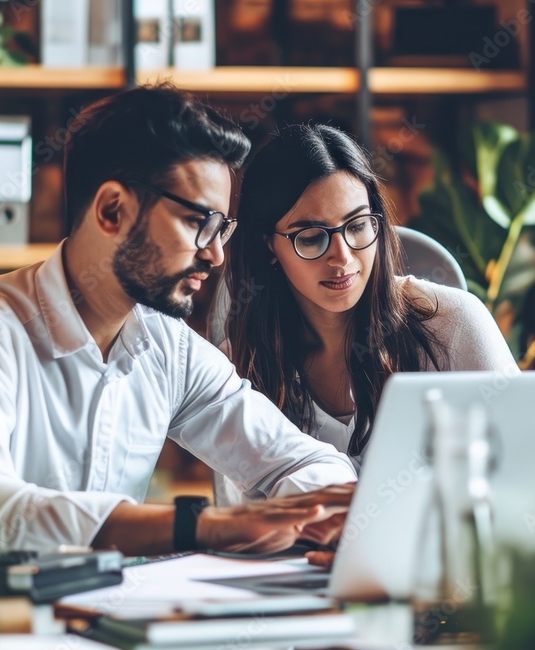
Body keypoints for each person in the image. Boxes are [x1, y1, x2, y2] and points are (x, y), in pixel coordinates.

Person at [0, 86, 357, 557]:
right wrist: (200, 526)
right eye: (197, 223)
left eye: (223, 229)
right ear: (111, 210)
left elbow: (301, 458)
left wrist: (339, 513)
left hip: (99, 627)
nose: (214, 254)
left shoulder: (168, 347)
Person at [215, 123, 517, 504]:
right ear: (269, 247)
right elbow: (247, 516)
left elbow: (522, 470)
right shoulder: (241, 364)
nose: (342, 257)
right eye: (310, 237)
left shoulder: (453, 323)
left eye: (357, 226)